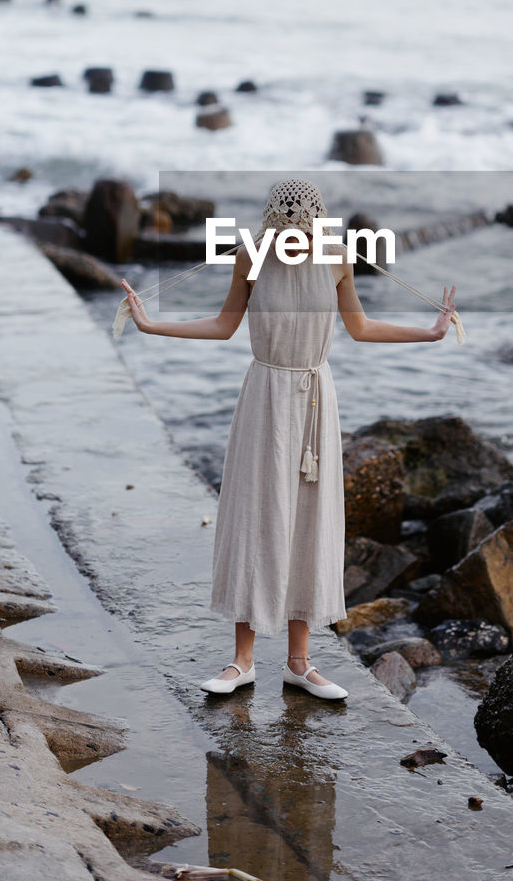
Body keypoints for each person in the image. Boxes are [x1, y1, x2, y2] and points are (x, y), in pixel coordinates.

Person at [119, 178, 457, 701]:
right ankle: (241, 662)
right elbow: (223, 324)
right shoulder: (251, 255)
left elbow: (361, 327)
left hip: (315, 398)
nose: (293, 234)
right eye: (286, 223)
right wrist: (152, 325)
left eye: (302, 223)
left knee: (309, 520)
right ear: (273, 220)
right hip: (266, 395)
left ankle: (300, 663)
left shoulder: (339, 258)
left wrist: (429, 333)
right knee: (256, 517)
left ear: (317, 219)